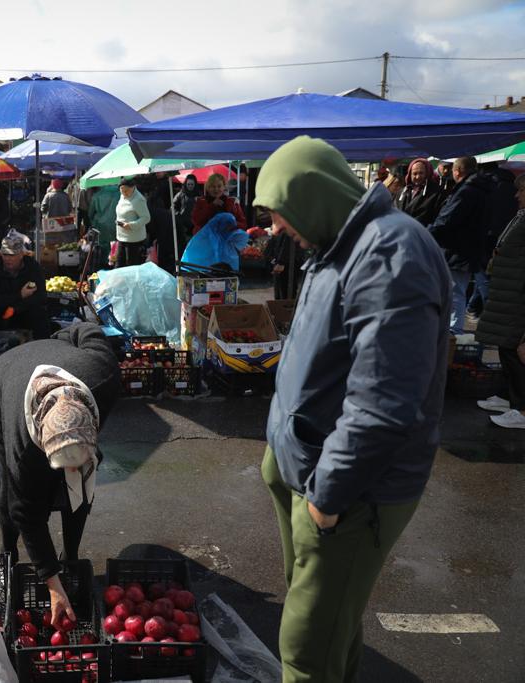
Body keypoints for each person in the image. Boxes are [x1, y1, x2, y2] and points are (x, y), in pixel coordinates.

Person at [254, 136, 451, 683]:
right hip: (312, 474)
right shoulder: (337, 245)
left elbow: (384, 402)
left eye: (277, 214)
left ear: (311, 197)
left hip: (349, 493)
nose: (274, 229)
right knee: (328, 623)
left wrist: (328, 496)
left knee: (307, 646)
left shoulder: (390, 253)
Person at [0, 322, 120, 623]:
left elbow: (85, 328)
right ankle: (7, 553)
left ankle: (71, 555)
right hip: (3, 378)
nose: (70, 470)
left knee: (80, 485)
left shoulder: (102, 373)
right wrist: (52, 584)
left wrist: (57, 342)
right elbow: (26, 513)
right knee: (13, 489)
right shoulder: (24, 445)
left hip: (60, 363)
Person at [474, 173, 525, 429]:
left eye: (521, 191)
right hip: (508, 293)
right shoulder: (521, 216)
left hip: (517, 295)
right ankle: (511, 399)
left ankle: (521, 409)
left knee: (515, 351)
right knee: (507, 349)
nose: (516, 195)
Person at [426, 156, 493, 334]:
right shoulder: (481, 190)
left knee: (454, 292)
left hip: (456, 249)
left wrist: (426, 232)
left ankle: (452, 332)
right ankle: (452, 330)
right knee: (456, 290)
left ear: (457, 171)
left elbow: (447, 219)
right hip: (467, 248)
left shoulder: (466, 191)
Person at [0, 230, 49, 363]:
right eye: (5, 254)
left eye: (12, 255)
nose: (8, 258)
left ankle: (44, 354)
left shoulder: (33, 267)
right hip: (1, 311)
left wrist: (15, 308)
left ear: (21, 254)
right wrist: (20, 295)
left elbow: (40, 296)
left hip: (23, 309)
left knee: (40, 313)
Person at [469, 165, 518, 316]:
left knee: (481, 271)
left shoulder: (486, 185)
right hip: (507, 234)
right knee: (488, 272)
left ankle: (484, 307)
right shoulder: (512, 185)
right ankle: (473, 307)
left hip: (486, 233)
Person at [396, 158, 444, 227]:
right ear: (410, 174)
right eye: (414, 174)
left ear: (427, 173)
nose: (418, 177)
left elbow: (438, 218)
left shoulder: (437, 192)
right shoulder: (401, 193)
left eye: (421, 173)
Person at [114, 178, 150, 268]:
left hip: (134, 241)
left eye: (126, 191)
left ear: (133, 187)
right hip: (121, 238)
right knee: (119, 265)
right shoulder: (123, 195)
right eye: (121, 191)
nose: (124, 193)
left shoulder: (139, 199)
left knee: (132, 267)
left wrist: (131, 225)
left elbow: (146, 218)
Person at [264, 229, 307, 300]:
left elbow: (289, 241)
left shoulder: (291, 226)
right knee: (280, 289)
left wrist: (281, 262)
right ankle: (280, 307)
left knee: (286, 290)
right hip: (280, 258)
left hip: (289, 261)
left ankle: (286, 307)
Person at [146, 188, 177, 274]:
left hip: (159, 240)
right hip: (169, 240)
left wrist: (149, 243)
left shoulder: (150, 211)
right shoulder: (167, 212)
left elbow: (151, 229)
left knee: (160, 263)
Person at [87, 185, 120, 266]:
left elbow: (90, 213)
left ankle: (105, 265)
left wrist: (92, 222)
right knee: (116, 246)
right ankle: (114, 264)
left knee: (103, 246)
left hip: (101, 225)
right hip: (117, 224)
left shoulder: (97, 195)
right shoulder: (121, 194)